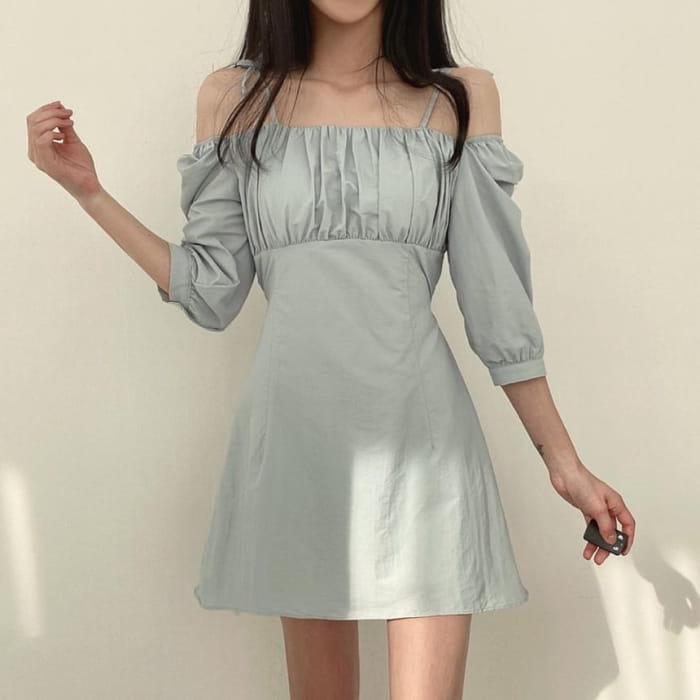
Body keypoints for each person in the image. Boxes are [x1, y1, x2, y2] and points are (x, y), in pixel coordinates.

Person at [26, 1, 636, 698]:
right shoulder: (234, 99)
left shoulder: (459, 99)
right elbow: (211, 290)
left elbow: (498, 303)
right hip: (298, 444)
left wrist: (566, 465)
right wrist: (89, 192)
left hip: (425, 447)